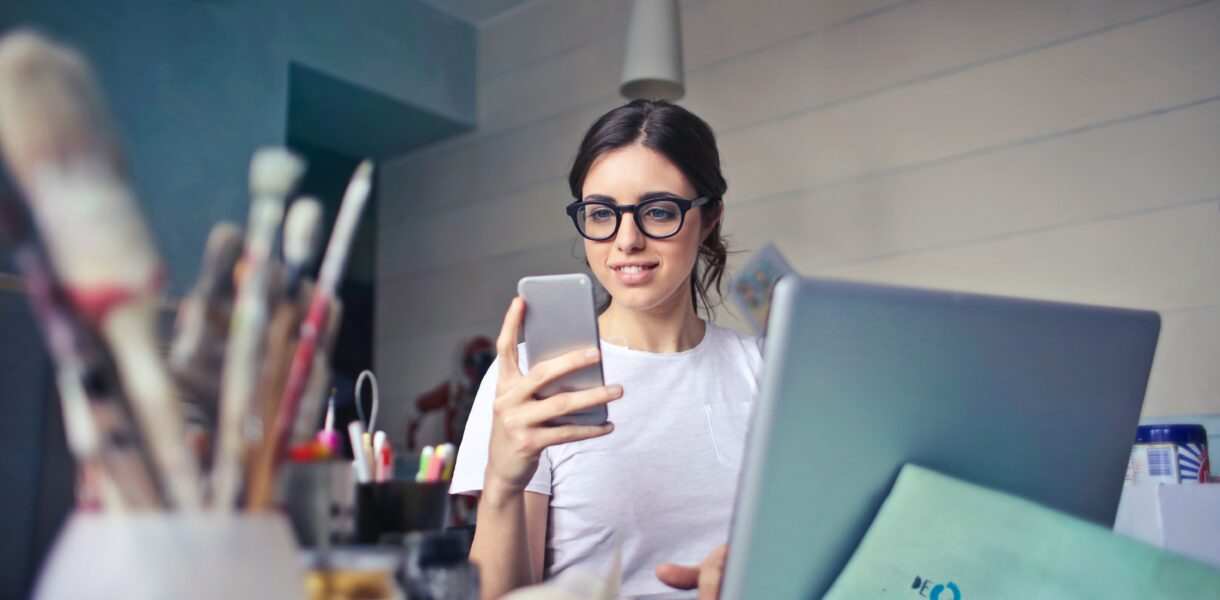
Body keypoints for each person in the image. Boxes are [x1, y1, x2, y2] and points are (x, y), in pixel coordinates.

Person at [450, 99, 763, 599]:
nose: (627, 240)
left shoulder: (768, 370)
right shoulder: (534, 378)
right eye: (601, 214)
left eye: (658, 211)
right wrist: (504, 484)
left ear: (708, 219)